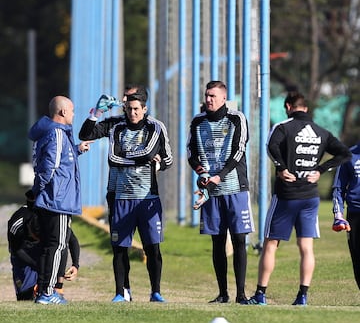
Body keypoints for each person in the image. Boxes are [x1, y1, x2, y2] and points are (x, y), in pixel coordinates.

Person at [247, 91, 351, 306]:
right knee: (306, 247)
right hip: (310, 197)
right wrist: (321, 169)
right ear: (306, 108)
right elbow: (344, 154)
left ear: (288, 107)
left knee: (271, 244)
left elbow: (271, 146)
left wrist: (281, 168)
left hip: (286, 195)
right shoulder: (321, 132)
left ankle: (260, 294)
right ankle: (302, 296)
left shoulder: (284, 127)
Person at [79, 90, 173, 302]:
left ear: (144, 107)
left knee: (152, 247)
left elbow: (163, 158)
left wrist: (156, 162)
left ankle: (155, 292)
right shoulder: (116, 126)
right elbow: (89, 138)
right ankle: (122, 292)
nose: (129, 109)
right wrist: (95, 113)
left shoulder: (155, 127)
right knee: (119, 247)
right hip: (120, 196)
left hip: (148, 197)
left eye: (134, 105)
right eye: (126, 104)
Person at [187, 80, 255, 304]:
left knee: (238, 239)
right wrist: (203, 174)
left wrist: (219, 175)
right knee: (217, 241)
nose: (209, 99)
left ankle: (241, 294)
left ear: (224, 98)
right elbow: (191, 153)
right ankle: (223, 293)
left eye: (213, 96)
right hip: (211, 191)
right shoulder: (197, 122)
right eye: (207, 95)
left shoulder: (237, 118)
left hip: (235, 187)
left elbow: (239, 150)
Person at [28, 95, 92, 305]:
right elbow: (50, 167)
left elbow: (58, 159)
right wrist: (42, 190)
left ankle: (43, 290)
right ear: (63, 112)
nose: (73, 114)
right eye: (72, 110)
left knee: (50, 245)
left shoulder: (50, 133)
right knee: (57, 246)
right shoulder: (56, 133)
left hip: (51, 198)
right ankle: (48, 292)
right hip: (57, 199)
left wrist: (76, 150)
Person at [7, 191, 80, 300]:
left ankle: (56, 289)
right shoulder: (17, 223)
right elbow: (17, 251)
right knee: (25, 298)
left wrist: (75, 265)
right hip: (23, 256)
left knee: (58, 247)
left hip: (42, 254)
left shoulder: (50, 221)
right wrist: (39, 267)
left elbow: (71, 240)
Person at [332, 143, 360, 289]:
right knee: (357, 259)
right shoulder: (349, 155)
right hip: (355, 215)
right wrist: (338, 214)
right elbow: (339, 188)